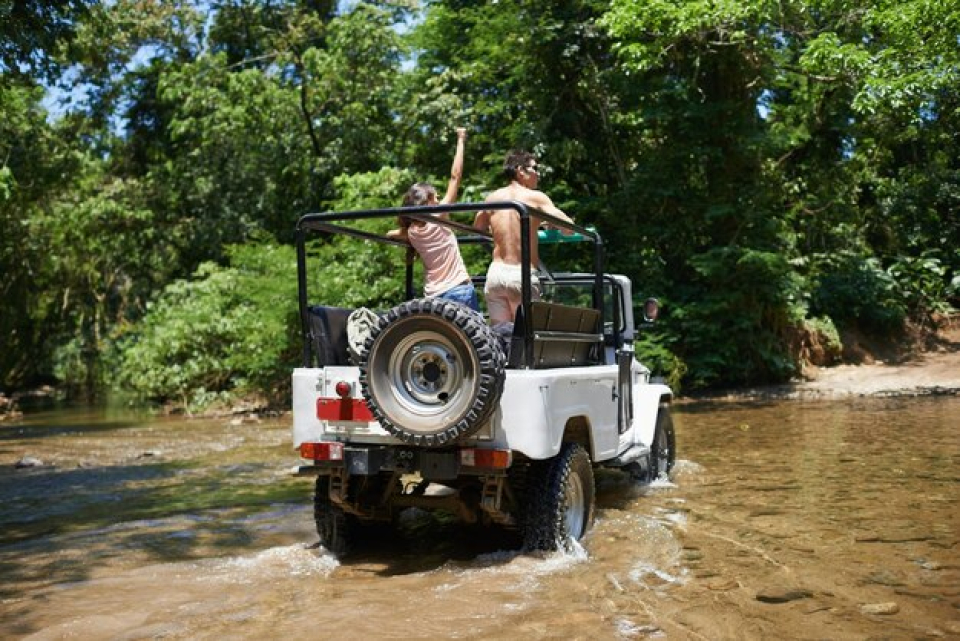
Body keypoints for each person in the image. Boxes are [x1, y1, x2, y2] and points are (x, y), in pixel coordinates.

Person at [473, 150, 575, 325]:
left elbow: (478, 228)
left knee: (500, 339)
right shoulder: (535, 198)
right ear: (521, 170)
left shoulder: (493, 197)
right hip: (521, 275)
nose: (538, 174)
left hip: (495, 275)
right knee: (528, 338)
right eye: (535, 168)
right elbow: (568, 229)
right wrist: (545, 221)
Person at [387, 127, 479, 311]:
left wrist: (396, 234)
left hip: (433, 296)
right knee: (474, 338)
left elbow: (391, 233)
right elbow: (455, 177)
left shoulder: (411, 231)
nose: (439, 201)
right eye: (435, 198)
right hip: (458, 289)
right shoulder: (438, 217)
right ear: (427, 202)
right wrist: (461, 140)